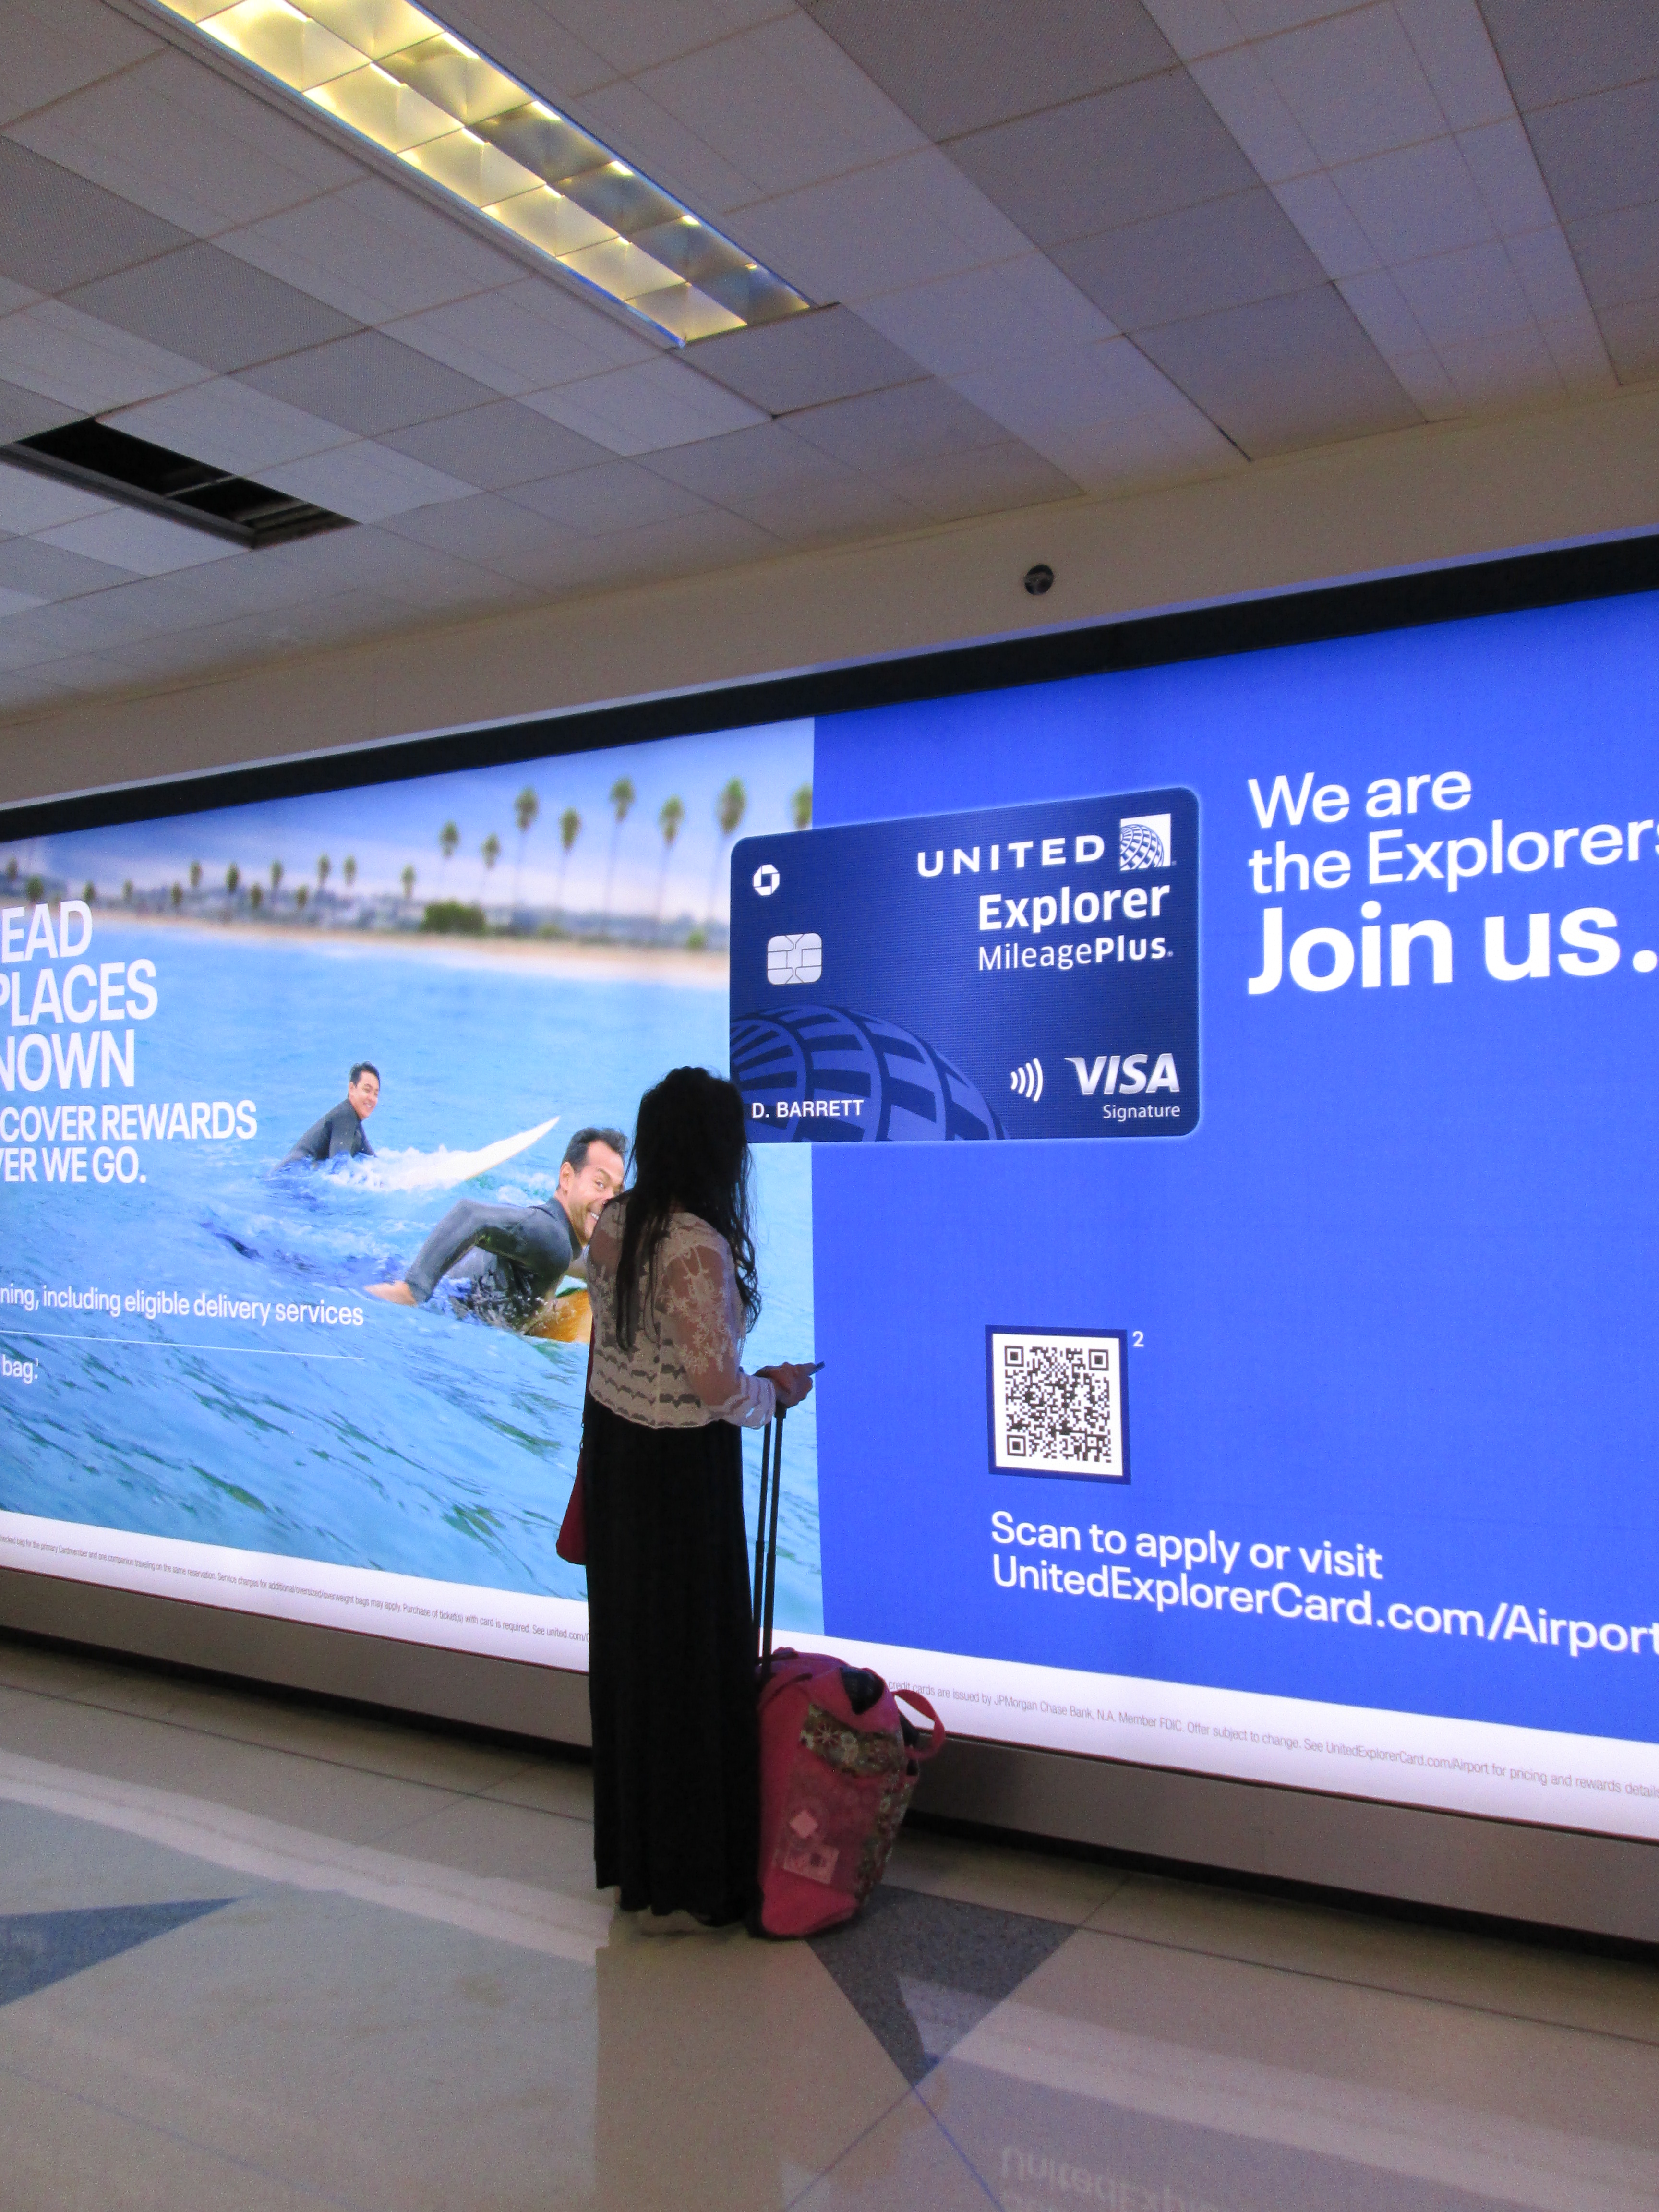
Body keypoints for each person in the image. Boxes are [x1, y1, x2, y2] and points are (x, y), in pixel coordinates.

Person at [581, 1066, 816, 1933]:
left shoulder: (617, 1217)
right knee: (692, 1666)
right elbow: (717, 1390)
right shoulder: (695, 1245)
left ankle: (640, 1862)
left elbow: (621, 1346)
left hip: (618, 1458)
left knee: (634, 1660)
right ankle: (697, 1871)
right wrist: (778, 1390)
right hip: (681, 1478)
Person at [367, 1127, 625, 1329]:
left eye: (617, 1192)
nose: (610, 1201)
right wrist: (413, 1290)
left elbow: (577, 1261)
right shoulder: (553, 1239)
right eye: (600, 1184)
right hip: (433, 1306)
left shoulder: (558, 1242)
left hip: (395, 1272)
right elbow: (471, 1214)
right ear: (567, 1178)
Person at [283, 1063, 380, 1165]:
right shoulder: (345, 1117)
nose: (372, 1098)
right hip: (293, 1170)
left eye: (376, 1094)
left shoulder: (354, 1124)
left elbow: (375, 1162)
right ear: (352, 1089)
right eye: (367, 1090)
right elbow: (340, 1166)